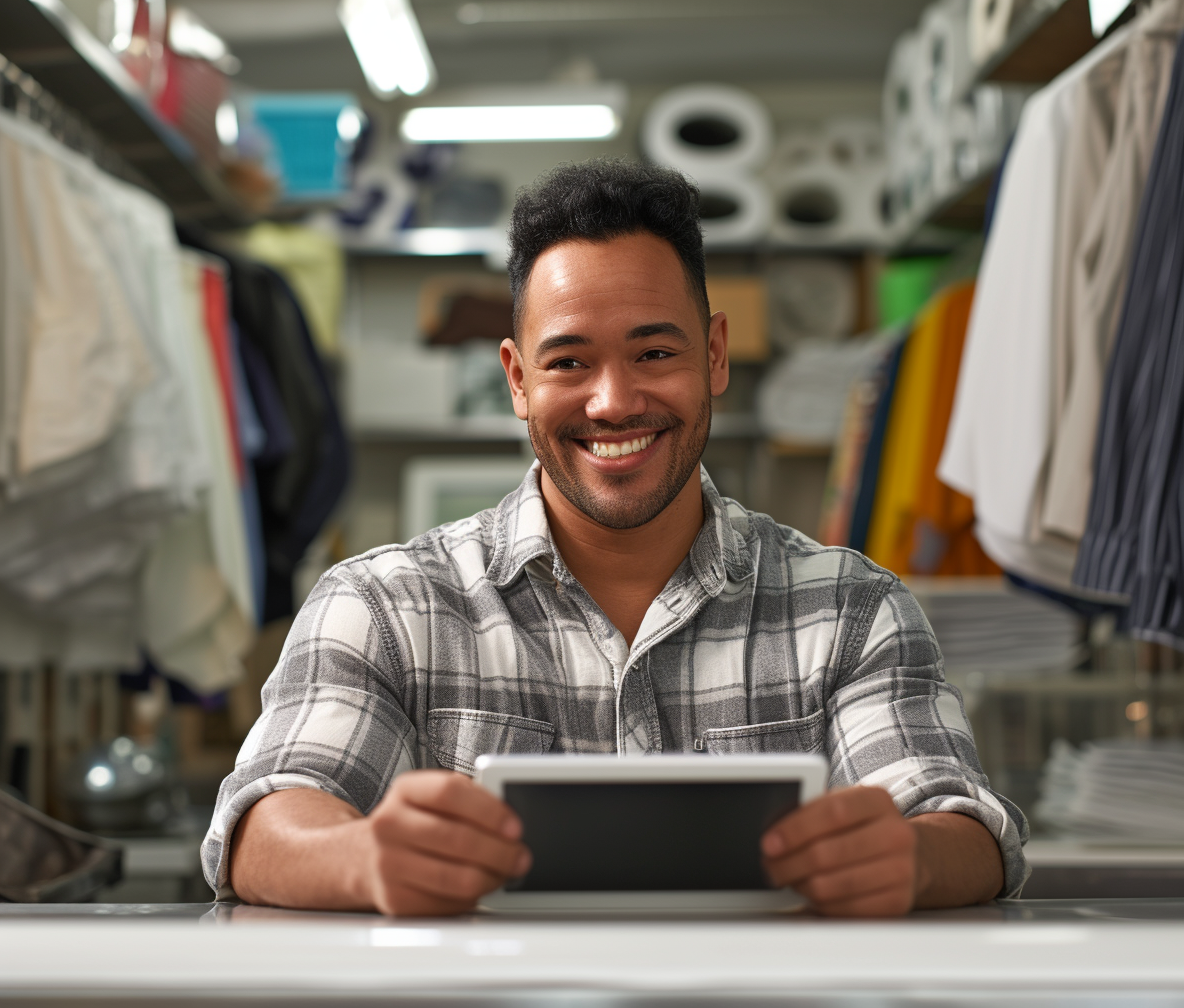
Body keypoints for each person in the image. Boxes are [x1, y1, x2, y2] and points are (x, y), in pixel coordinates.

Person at [202, 159, 1028, 917]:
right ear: (517, 382)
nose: (613, 401)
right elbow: (263, 826)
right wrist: (361, 855)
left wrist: (911, 857)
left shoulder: (851, 608)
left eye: (655, 351)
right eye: (568, 363)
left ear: (713, 356)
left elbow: (966, 829)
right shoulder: (382, 605)